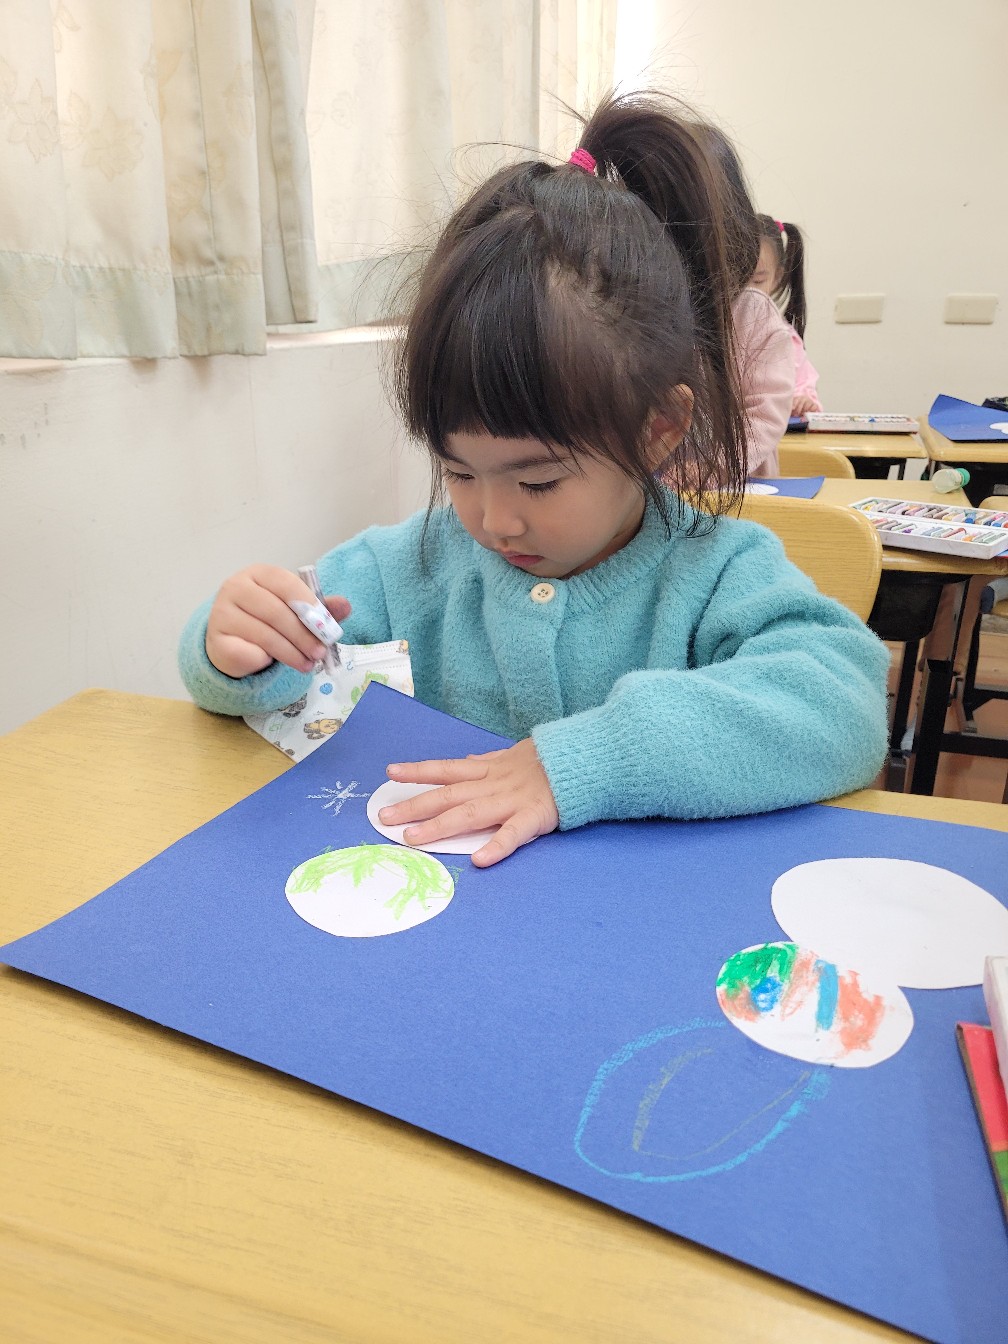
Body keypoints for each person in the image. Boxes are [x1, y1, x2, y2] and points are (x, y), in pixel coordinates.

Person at [178, 92, 889, 868]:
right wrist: (239, 648)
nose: (494, 520)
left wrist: (582, 761)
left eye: (539, 482)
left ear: (659, 426)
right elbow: (274, 670)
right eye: (457, 470)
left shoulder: (716, 571)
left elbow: (844, 703)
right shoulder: (411, 565)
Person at [692, 127, 795, 477]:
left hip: (737, 487)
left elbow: (764, 413)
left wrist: (707, 471)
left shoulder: (751, 311)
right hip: (654, 491)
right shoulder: (635, 304)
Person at [751, 214, 822, 416]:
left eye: (757, 282)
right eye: (736, 280)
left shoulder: (783, 336)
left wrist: (803, 401)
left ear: (777, 278)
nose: (746, 292)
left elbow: (803, 386)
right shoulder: (711, 331)